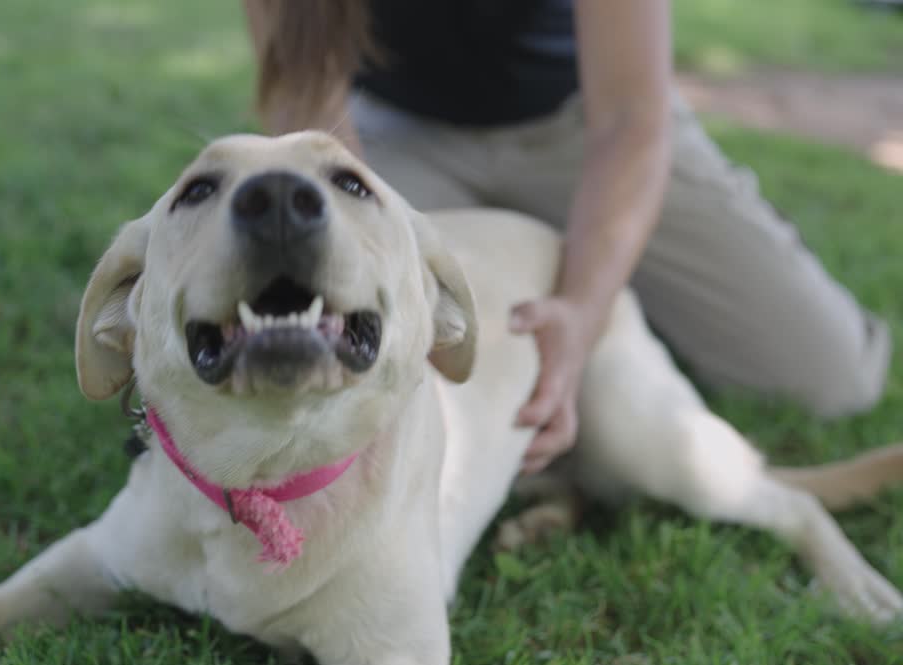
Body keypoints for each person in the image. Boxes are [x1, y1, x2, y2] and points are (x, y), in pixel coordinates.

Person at [241, 0, 892, 473]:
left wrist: (586, 307)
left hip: (586, 122)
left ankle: (625, 294)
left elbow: (632, 117)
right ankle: (570, 264)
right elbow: (306, 107)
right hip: (394, 138)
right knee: (388, 357)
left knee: (829, 376)